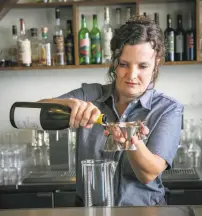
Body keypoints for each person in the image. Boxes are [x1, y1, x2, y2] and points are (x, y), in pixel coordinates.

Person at [40, 15, 183, 206]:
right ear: (115, 61)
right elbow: (36, 111)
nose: (132, 75)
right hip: (90, 209)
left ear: (156, 63)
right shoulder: (90, 94)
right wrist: (69, 104)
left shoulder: (167, 109)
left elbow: (148, 173)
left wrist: (131, 142)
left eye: (142, 66)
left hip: (144, 212)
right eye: (124, 64)